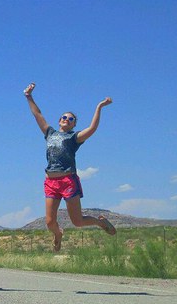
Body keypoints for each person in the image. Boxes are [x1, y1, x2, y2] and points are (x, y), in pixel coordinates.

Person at [23, 83, 116, 251]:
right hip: (51, 182)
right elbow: (37, 114)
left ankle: (99, 222)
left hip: (68, 181)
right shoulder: (50, 133)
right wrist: (29, 96)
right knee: (49, 222)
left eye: (71, 119)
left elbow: (92, 128)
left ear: (73, 125)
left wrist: (99, 107)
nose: (67, 119)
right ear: (59, 121)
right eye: (64, 117)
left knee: (77, 221)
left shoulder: (74, 138)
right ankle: (58, 234)